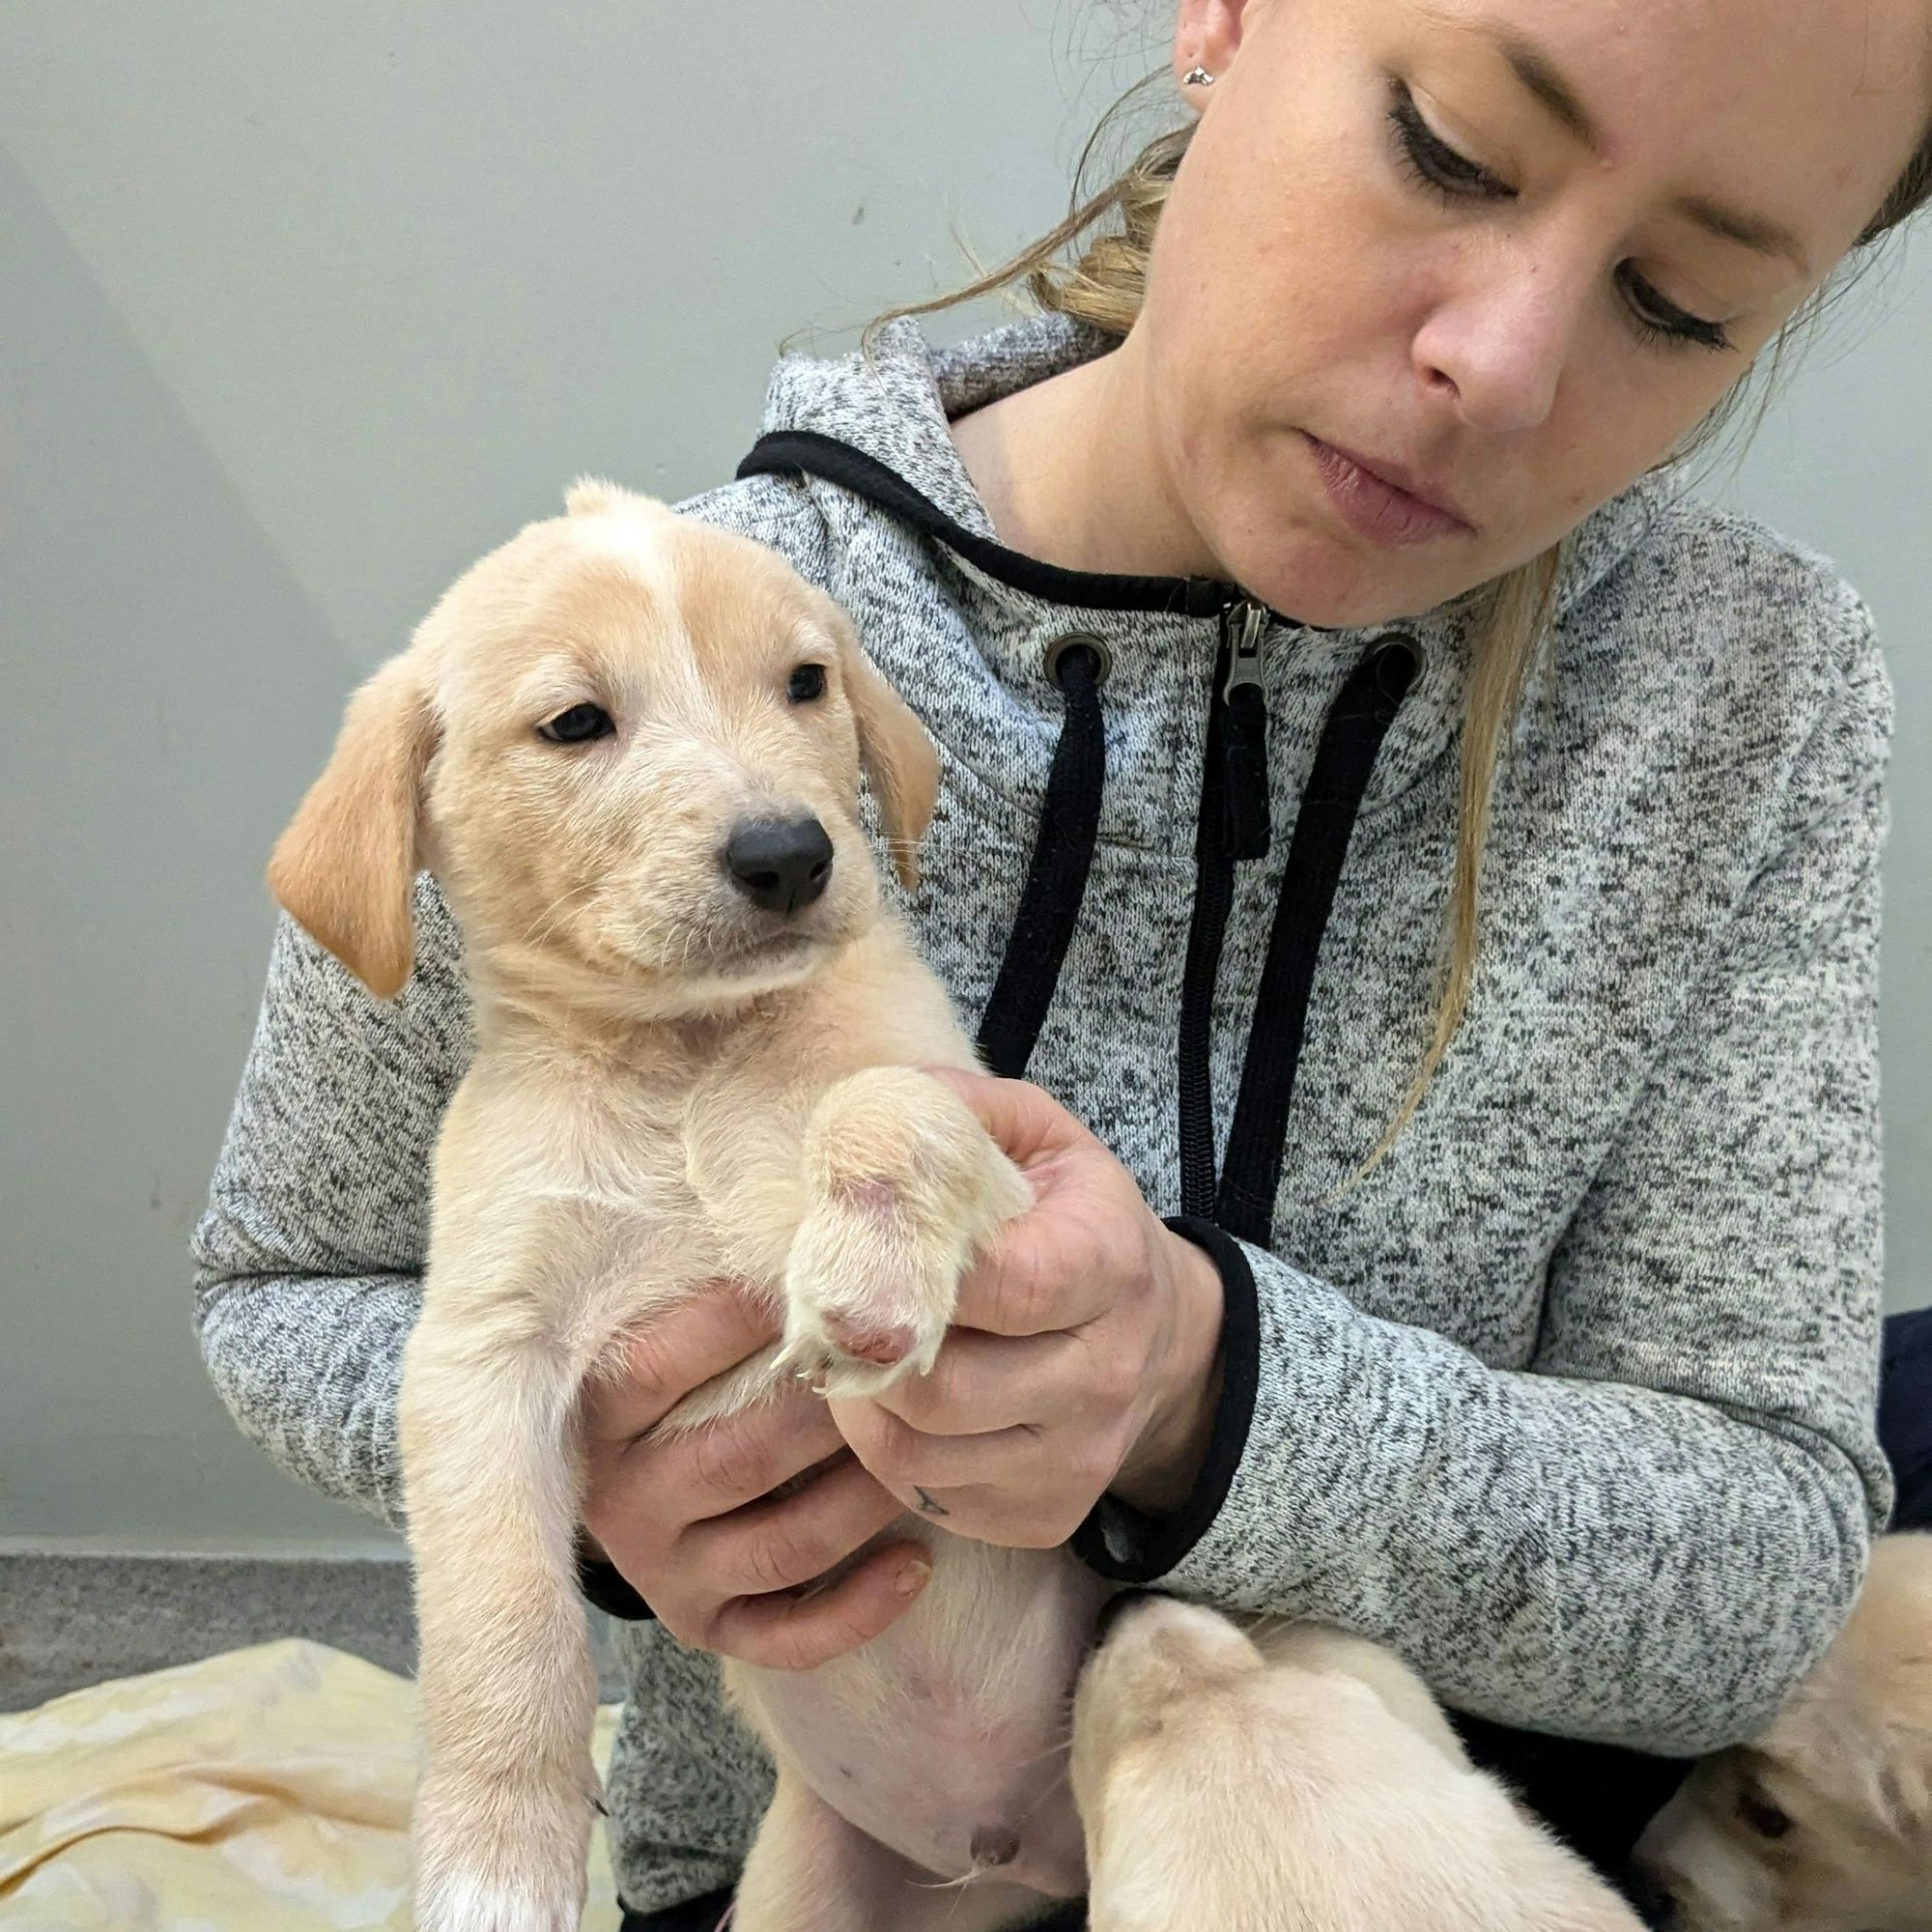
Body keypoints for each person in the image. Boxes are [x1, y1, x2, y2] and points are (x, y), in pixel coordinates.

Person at [192, 1, 1932, 1926]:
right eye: (1446, 146)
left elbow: (1764, 1567)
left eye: (1681, 303)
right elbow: (285, 1289)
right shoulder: (655, 639)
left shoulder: (1744, 683)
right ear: (1224, 16)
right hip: (848, 1835)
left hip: (1421, 1804)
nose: (1497, 368)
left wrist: (1207, 1387)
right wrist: (602, 1477)